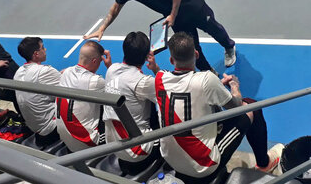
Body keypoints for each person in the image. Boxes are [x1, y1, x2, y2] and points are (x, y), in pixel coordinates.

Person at [154, 32, 283, 183]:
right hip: (201, 166)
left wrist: (217, 88)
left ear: (171, 60)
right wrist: (234, 86)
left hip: (171, 159)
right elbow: (236, 106)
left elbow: (190, 91)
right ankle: (264, 164)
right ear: (196, 54)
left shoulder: (159, 78)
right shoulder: (206, 79)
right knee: (251, 107)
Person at [85, 0, 236, 72]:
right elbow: (115, 8)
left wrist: (173, 14)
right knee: (191, 47)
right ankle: (208, 73)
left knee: (213, 29)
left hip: (192, 5)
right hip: (175, 17)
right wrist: (102, 27)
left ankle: (229, 47)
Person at [103, 32, 161, 174]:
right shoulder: (142, 82)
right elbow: (168, 91)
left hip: (113, 146)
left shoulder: (111, 69)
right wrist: (156, 69)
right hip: (137, 151)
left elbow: (122, 81)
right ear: (146, 55)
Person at [55, 41, 111, 152]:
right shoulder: (95, 81)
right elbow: (116, 93)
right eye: (100, 61)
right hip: (86, 143)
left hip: (64, 136)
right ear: (95, 61)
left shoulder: (65, 72)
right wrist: (110, 68)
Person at [14, 37, 61, 146]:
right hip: (51, 129)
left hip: (36, 128)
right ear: (36, 54)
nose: (45, 50)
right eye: (42, 48)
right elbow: (70, 88)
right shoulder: (45, 71)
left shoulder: (18, 72)